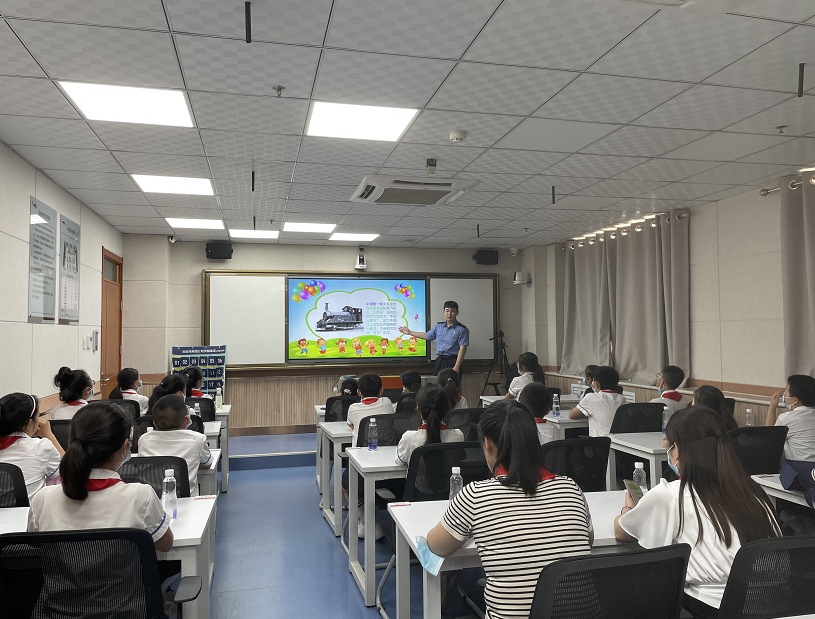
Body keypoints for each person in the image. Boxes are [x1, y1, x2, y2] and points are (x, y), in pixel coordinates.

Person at [426, 401, 593, 619]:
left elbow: (436, 546)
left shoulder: (476, 495)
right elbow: (588, 540)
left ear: (488, 444)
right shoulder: (570, 488)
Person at [615, 406, 780, 616]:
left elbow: (622, 533)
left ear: (677, 450)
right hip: (774, 605)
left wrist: (629, 509)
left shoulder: (671, 494)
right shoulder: (753, 491)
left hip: (714, 608)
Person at [28, 401, 173, 552]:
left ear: (71, 443)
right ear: (124, 447)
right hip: (119, 569)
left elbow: (33, 546)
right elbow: (165, 545)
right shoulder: (142, 496)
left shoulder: (42, 499)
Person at [138, 395, 212, 497]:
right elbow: (207, 464)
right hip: (186, 501)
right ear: (187, 421)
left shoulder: (144, 440)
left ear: (154, 423)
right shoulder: (198, 439)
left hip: (152, 500)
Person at [0, 393, 63, 500]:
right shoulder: (42, 446)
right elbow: (68, 469)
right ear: (29, 423)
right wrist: (49, 435)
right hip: (30, 510)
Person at [396, 383, 464, 466]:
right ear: (447, 408)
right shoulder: (458, 436)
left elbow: (399, 461)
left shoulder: (408, 438)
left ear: (418, 408)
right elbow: (461, 458)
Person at [399, 300, 469, 375]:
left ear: (457, 312)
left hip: (453, 361)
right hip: (440, 360)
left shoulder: (462, 329)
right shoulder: (439, 326)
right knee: (438, 382)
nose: (449, 314)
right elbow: (427, 336)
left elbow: (463, 349)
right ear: (444, 312)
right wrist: (409, 332)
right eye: (447, 311)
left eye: (452, 311)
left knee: (452, 382)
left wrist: (457, 366)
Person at [767, 374, 815, 461]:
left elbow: (768, 440)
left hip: (800, 468)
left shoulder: (786, 418)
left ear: (795, 400)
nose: (783, 395)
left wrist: (772, 407)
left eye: (785, 392)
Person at [569, 365, 626, 437]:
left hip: (599, 442)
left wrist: (589, 414)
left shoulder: (591, 397)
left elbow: (572, 415)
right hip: (617, 441)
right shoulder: (621, 399)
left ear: (596, 384)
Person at [346, 373, 394, 447]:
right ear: (381, 390)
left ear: (358, 392)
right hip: (385, 449)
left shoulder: (353, 408)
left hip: (360, 451)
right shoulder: (387, 402)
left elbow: (350, 425)